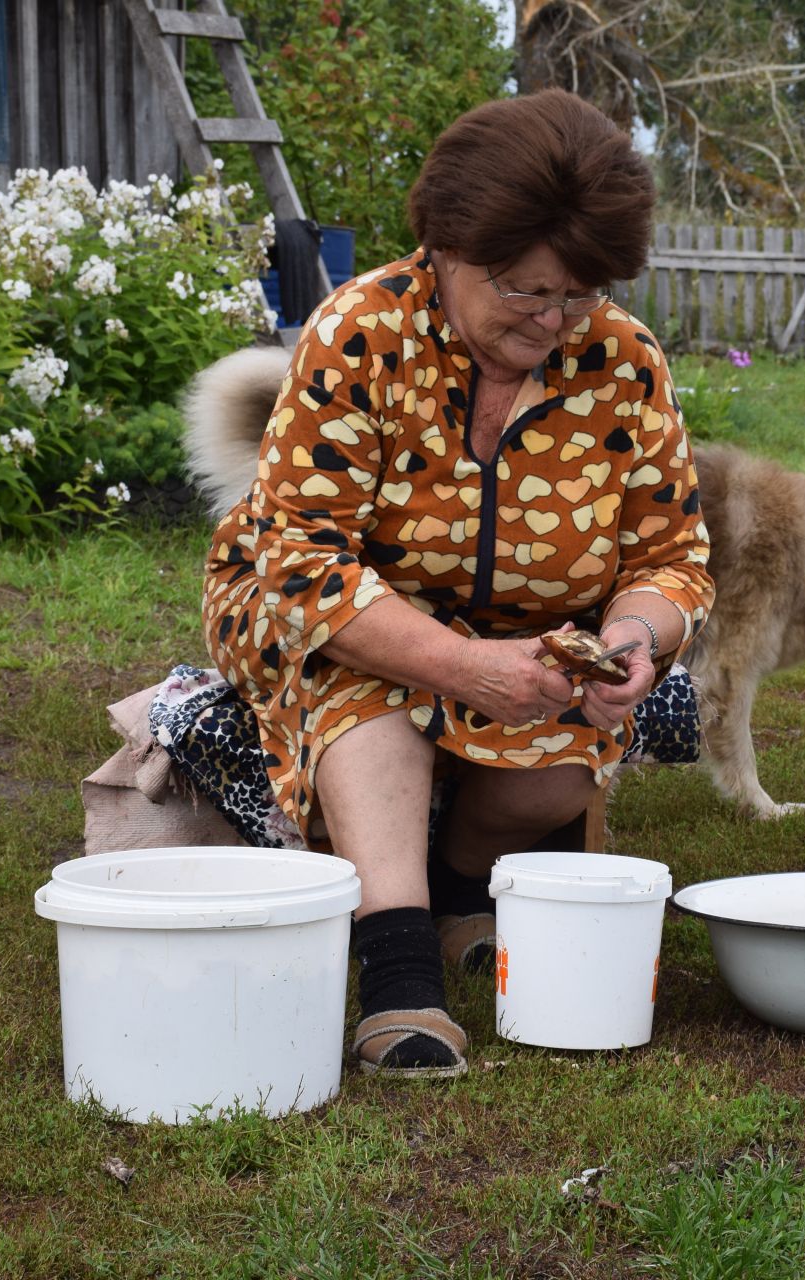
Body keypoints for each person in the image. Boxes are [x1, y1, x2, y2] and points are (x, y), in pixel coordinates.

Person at [201, 90, 713, 1079]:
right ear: (445, 246)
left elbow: (670, 559)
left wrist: (640, 640)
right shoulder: (364, 333)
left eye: (578, 294)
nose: (554, 321)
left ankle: (454, 884)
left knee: (564, 766)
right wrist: (461, 665)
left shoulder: (626, 364)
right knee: (370, 685)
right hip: (319, 603)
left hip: (523, 627)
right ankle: (398, 974)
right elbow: (305, 566)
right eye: (523, 291)